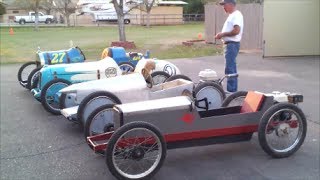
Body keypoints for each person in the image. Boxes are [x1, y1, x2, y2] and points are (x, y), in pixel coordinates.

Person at [215, 0, 243, 92]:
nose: (223, 7)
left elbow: (236, 31)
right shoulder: (232, 15)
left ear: (231, 4)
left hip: (232, 45)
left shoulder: (236, 15)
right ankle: (232, 91)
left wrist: (222, 35)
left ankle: (231, 92)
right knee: (231, 68)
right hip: (230, 45)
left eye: (225, 5)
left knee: (230, 69)